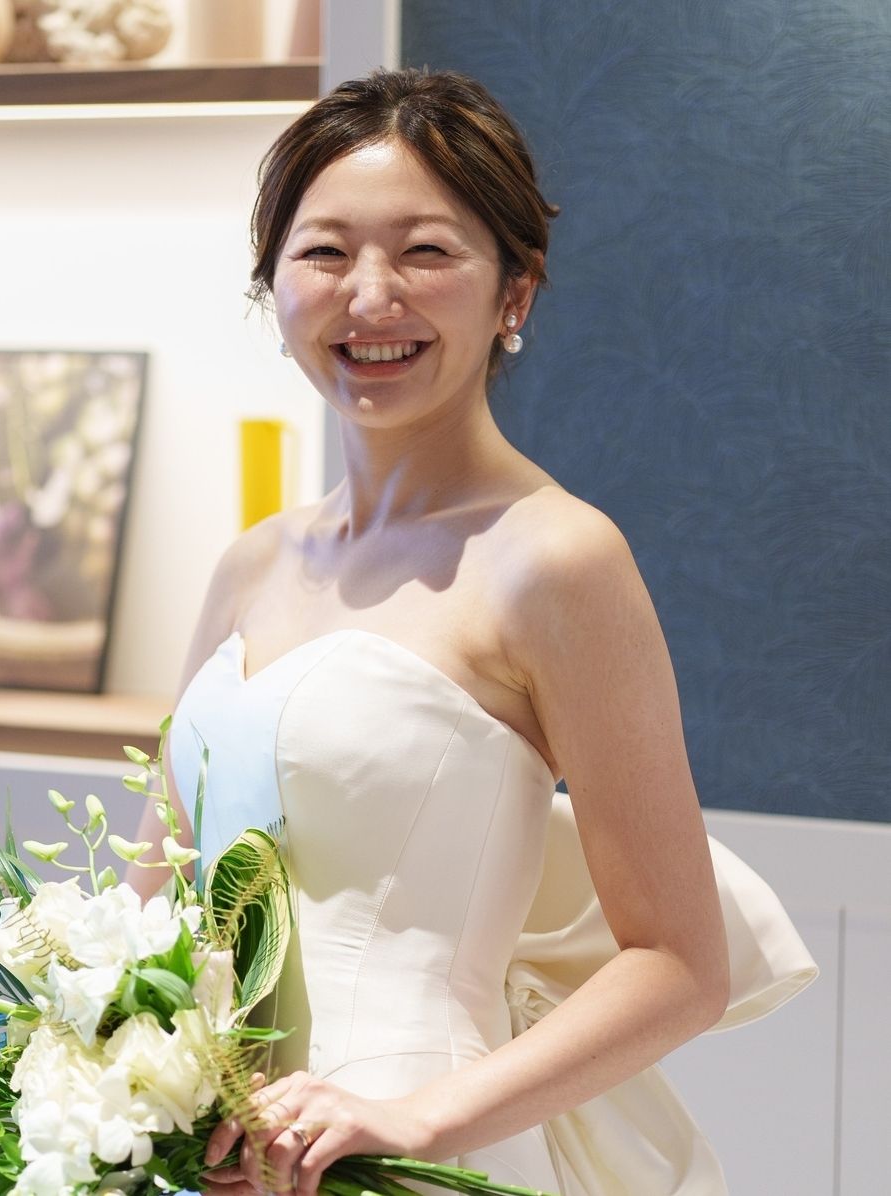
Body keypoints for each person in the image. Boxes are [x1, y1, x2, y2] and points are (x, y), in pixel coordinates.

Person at [130, 68, 815, 1196]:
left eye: (425, 252)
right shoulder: (251, 563)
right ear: (272, 284)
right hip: (210, 1156)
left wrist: (414, 1116)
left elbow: (678, 964)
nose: (370, 296)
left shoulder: (558, 559)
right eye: (323, 252)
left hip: (413, 1150)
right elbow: (152, 899)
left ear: (515, 293)